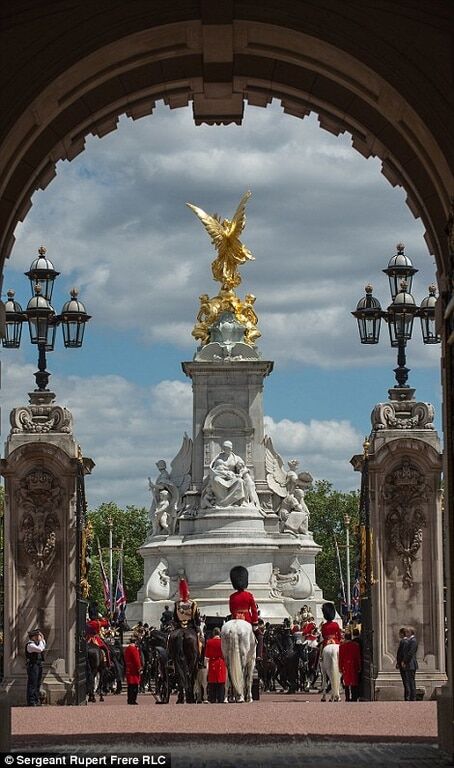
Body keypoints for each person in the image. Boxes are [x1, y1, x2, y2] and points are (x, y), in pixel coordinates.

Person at [228, 565, 263, 660]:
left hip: (234, 620)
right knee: (259, 636)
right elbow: (254, 610)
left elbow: (231, 610)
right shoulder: (249, 595)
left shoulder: (232, 597)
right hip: (247, 620)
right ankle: (259, 655)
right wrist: (255, 623)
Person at [205, 627, 227, 703]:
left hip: (212, 663)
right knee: (221, 682)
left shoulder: (209, 642)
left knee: (212, 682)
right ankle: (221, 698)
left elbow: (207, 654)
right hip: (221, 662)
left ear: (213, 633)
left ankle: (212, 698)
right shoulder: (223, 642)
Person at [339, 630, 361, 701]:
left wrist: (340, 667)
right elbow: (358, 657)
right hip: (353, 665)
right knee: (354, 682)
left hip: (345, 665)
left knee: (346, 683)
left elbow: (340, 658)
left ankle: (347, 697)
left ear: (345, 638)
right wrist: (359, 666)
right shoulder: (356, 645)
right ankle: (354, 697)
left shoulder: (342, 646)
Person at [25, 628, 46, 706]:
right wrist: (41, 640)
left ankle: (36, 699)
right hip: (33, 665)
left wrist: (42, 639)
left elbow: (43, 646)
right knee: (32, 683)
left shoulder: (37, 643)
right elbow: (40, 649)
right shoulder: (30, 645)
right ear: (33, 637)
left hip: (38, 664)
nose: (38, 637)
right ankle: (31, 701)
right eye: (37, 635)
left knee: (37, 683)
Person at [400, 625, 418, 701]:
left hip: (410, 664)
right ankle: (410, 697)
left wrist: (404, 661)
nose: (406, 633)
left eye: (407, 632)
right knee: (409, 681)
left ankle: (412, 697)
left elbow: (410, 653)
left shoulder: (413, 641)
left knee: (410, 681)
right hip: (409, 664)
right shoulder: (410, 641)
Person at [123, 637, 142, 704]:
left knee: (130, 686)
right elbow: (137, 660)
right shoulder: (134, 649)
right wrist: (139, 668)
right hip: (134, 670)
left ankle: (129, 699)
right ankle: (133, 700)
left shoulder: (127, 649)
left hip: (128, 668)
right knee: (135, 686)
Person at [396, 626, 408, 699]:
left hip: (402, 663)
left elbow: (402, 653)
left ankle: (407, 697)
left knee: (406, 681)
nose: (399, 635)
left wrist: (400, 662)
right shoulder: (406, 641)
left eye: (400, 634)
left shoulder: (403, 642)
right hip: (403, 663)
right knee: (406, 681)